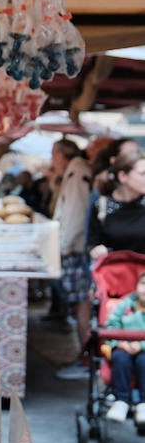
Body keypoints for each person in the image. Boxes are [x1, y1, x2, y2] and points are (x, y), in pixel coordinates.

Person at [49, 139, 95, 378]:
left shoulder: (76, 173)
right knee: (79, 304)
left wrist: (63, 247)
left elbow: (76, 214)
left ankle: (85, 358)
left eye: (53, 155)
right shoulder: (75, 172)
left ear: (60, 155)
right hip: (73, 246)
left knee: (81, 304)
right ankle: (85, 356)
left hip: (74, 248)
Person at [101, 268, 145, 423]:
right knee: (120, 358)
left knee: (143, 361)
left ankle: (143, 403)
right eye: (143, 284)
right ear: (137, 285)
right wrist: (121, 342)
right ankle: (121, 401)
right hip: (122, 345)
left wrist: (141, 346)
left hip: (143, 349)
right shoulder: (124, 304)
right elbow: (110, 325)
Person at [88, 150, 145, 261]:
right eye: (142, 174)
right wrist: (96, 250)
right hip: (113, 275)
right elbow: (91, 243)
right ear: (123, 176)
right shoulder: (102, 205)